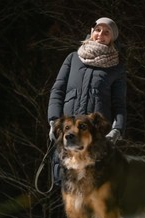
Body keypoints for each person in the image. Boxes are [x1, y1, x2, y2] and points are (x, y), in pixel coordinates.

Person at [47, 17, 127, 186]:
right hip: (68, 131)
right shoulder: (72, 58)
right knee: (68, 187)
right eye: (97, 30)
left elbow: (119, 103)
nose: (100, 35)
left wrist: (117, 129)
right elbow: (57, 90)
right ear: (91, 32)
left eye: (106, 32)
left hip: (94, 136)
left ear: (112, 38)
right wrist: (53, 121)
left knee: (94, 185)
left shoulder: (117, 68)